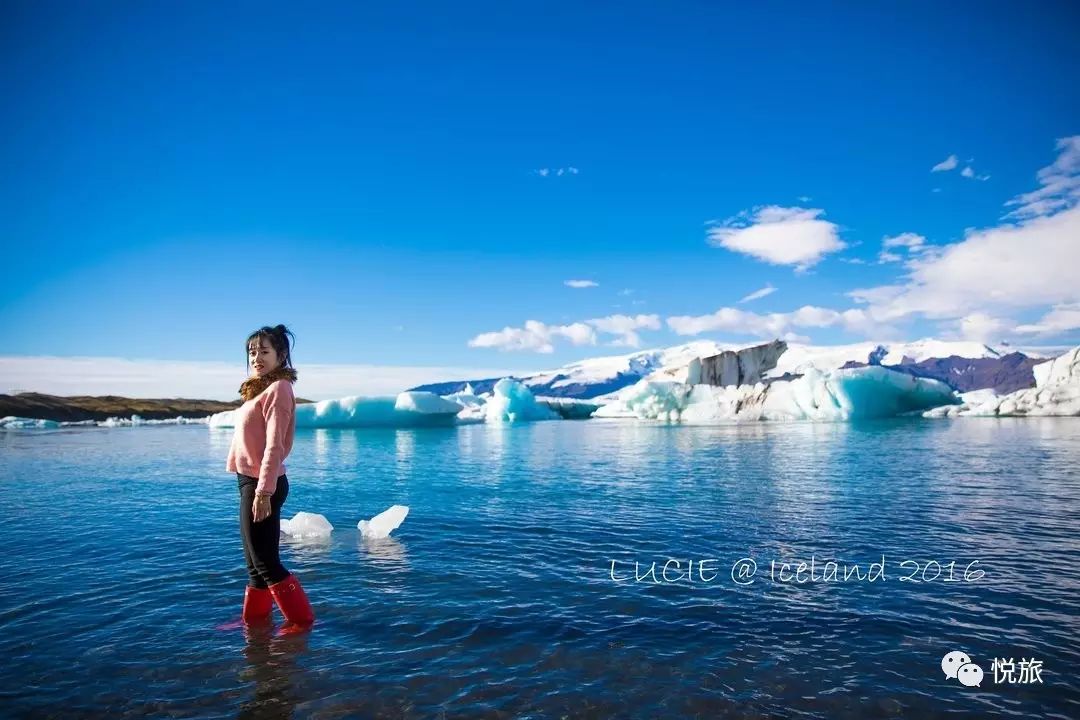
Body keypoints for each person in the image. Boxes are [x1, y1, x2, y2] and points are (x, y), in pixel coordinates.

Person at [225, 323, 315, 631]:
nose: (256, 358)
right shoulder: (259, 389)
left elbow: (275, 445)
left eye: (264, 351)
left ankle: (301, 622)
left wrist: (263, 493)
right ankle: (254, 622)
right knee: (254, 564)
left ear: (281, 355)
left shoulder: (279, 389)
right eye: (252, 352)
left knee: (266, 562)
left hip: (263, 483)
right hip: (249, 480)